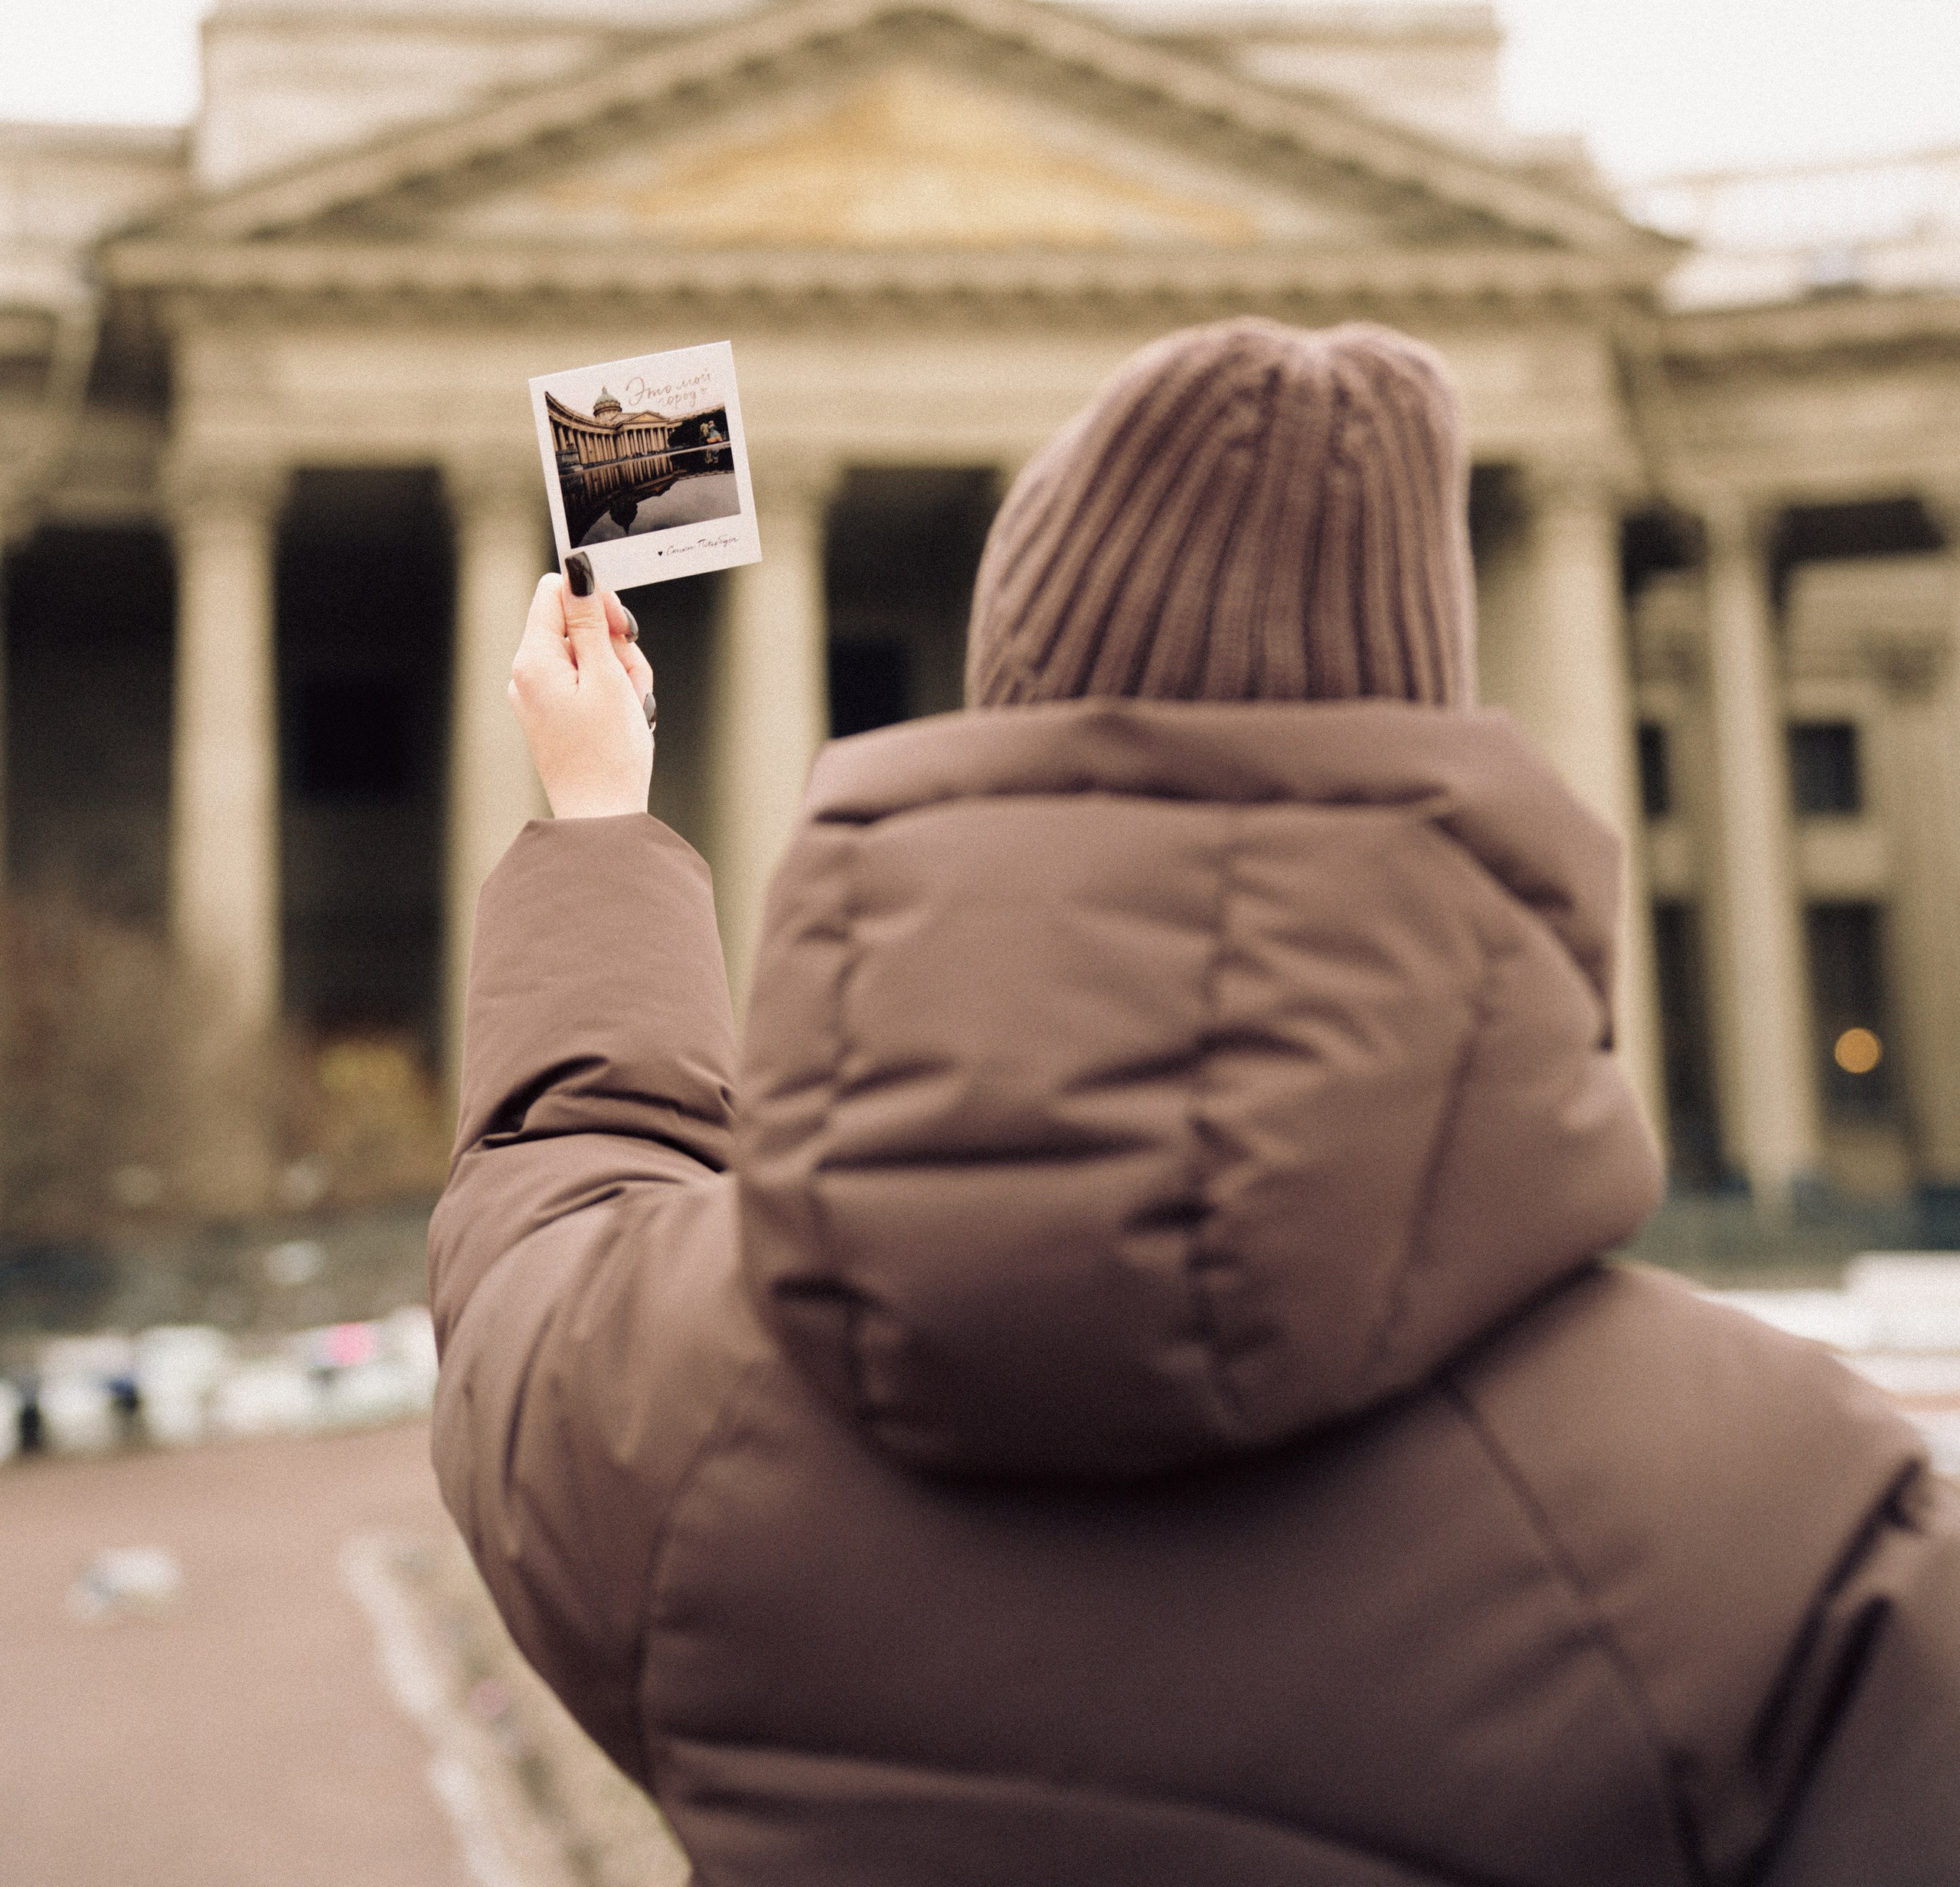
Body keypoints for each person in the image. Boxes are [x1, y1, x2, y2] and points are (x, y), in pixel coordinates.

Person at [430, 319, 1960, 1886]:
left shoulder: (674, 1403)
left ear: (1000, 732)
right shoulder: (1779, 1519)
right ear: (1437, 740)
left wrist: (601, 816)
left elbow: (547, 1212)